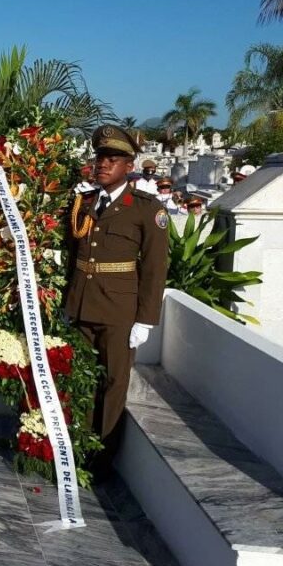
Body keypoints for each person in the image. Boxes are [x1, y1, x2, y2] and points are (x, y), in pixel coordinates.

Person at [65, 124, 169, 477]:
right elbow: (72, 257)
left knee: (112, 383)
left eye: (113, 159)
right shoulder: (86, 202)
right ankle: (75, 444)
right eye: (100, 157)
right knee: (80, 377)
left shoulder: (144, 209)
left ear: (129, 166)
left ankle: (100, 457)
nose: (103, 164)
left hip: (118, 311)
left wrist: (145, 319)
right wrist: (68, 302)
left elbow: (155, 268)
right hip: (82, 305)